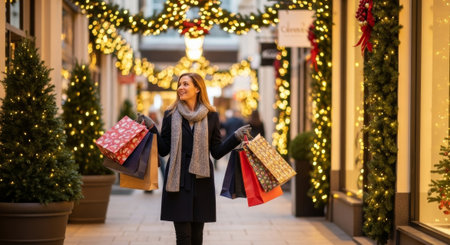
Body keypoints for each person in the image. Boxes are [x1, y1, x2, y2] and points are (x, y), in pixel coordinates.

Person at [138, 72, 251, 245]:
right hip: (178, 181)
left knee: (197, 237)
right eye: (179, 84)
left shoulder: (211, 116)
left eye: (185, 84)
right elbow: (163, 150)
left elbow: (216, 152)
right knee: (183, 237)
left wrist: (235, 137)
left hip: (202, 181)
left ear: (198, 88)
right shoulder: (170, 114)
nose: (180, 88)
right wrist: (152, 128)